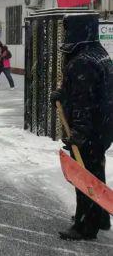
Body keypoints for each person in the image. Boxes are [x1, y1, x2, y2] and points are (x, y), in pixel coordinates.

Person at [50, 14, 112, 241]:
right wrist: (63, 94)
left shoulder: (82, 61)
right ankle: (101, 216)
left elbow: (84, 102)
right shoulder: (99, 54)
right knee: (96, 172)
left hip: (89, 132)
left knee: (84, 177)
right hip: (102, 128)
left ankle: (85, 225)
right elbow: (90, 91)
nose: (66, 36)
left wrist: (79, 133)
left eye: (68, 30)